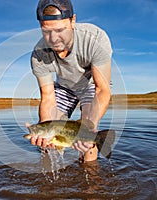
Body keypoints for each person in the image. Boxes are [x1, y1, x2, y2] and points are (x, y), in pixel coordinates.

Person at [30, 0, 112, 162]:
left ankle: (92, 183)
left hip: (90, 85)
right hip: (64, 87)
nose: (53, 39)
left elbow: (102, 89)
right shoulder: (38, 55)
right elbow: (47, 97)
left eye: (60, 30)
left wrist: (90, 125)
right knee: (47, 143)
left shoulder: (95, 38)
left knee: (88, 139)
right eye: (46, 31)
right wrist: (44, 129)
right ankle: (49, 185)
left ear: (72, 20)